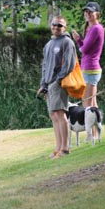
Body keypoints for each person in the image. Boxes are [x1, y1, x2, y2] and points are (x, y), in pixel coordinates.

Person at [37, 16, 77, 159]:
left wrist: (58, 80)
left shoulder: (67, 42)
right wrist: (43, 84)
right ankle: (58, 147)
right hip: (48, 84)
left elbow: (69, 65)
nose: (56, 27)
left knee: (60, 114)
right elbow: (45, 66)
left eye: (59, 25)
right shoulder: (48, 44)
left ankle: (65, 148)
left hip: (58, 83)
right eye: (54, 24)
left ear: (64, 27)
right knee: (53, 115)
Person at [71, 1, 104, 108]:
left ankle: (89, 120)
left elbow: (84, 49)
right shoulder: (91, 28)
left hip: (91, 69)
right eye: (86, 11)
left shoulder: (96, 28)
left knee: (87, 104)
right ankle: (96, 120)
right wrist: (78, 40)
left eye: (91, 12)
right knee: (92, 104)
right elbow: (85, 48)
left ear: (97, 14)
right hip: (90, 69)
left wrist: (78, 41)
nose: (88, 14)